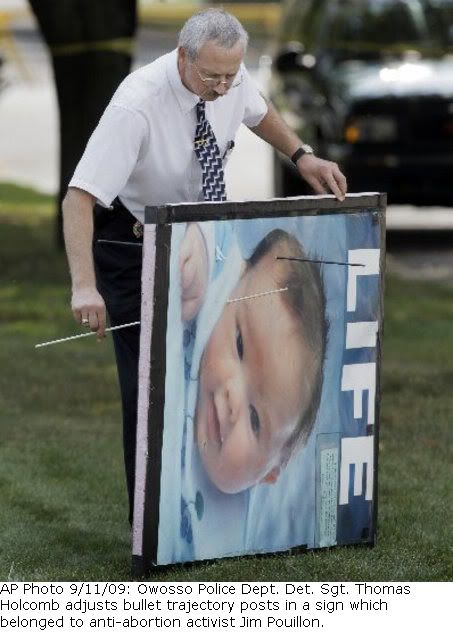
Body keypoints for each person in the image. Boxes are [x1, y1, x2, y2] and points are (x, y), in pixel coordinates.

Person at [62, 8, 347, 523]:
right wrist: (85, 286)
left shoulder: (230, 80)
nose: (220, 87)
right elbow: (79, 197)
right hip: (131, 241)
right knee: (151, 384)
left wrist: (303, 155)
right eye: (210, 75)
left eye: (229, 76)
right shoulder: (137, 104)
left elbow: (259, 112)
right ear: (182, 57)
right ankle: (152, 526)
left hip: (196, 229)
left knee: (192, 366)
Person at [179, 224, 327, 495]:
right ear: (236, 281)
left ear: (269, 473)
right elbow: (218, 237)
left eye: (255, 419)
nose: (234, 400)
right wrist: (199, 249)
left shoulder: (235, 533)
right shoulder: (214, 290)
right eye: (239, 345)